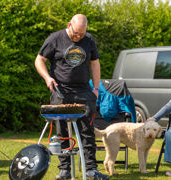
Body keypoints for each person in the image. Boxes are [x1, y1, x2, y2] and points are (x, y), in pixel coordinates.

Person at [35, 14, 109, 180]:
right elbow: (39, 59)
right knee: (61, 131)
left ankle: (91, 170)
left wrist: (96, 88)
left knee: (87, 131)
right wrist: (47, 77)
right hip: (60, 91)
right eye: (76, 34)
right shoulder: (55, 39)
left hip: (84, 92)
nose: (78, 37)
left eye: (81, 35)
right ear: (69, 25)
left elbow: (95, 63)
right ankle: (64, 170)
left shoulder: (89, 40)